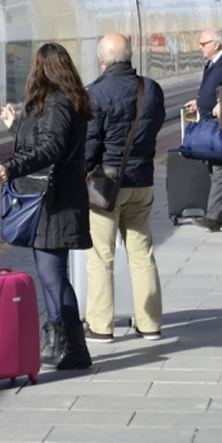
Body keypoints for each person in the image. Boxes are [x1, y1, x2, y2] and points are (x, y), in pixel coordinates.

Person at [0, 43, 94, 370]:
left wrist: (12, 167)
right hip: (54, 200)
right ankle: (60, 343)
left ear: (42, 68)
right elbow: (48, 142)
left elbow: (51, 149)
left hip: (56, 202)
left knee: (54, 276)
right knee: (51, 276)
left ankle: (72, 347)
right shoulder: (58, 101)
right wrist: (16, 127)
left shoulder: (58, 102)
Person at [84, 33, 165, 342]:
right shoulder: (151, 88)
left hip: (105, 186)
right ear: (129, 57)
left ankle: (101, 327)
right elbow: (156, 124)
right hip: (142, 180)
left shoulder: (96, 93)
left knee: (101, 257)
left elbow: (90, 146)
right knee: (142, 254)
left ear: (102, 60)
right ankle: (149, 324)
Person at [184, 28, 222, 231]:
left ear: (216, 44)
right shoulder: (213, 63)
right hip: (211, 124)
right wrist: (199, 102)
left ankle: (213, 217)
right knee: (216, 169)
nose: (200, 47)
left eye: (203, 44)